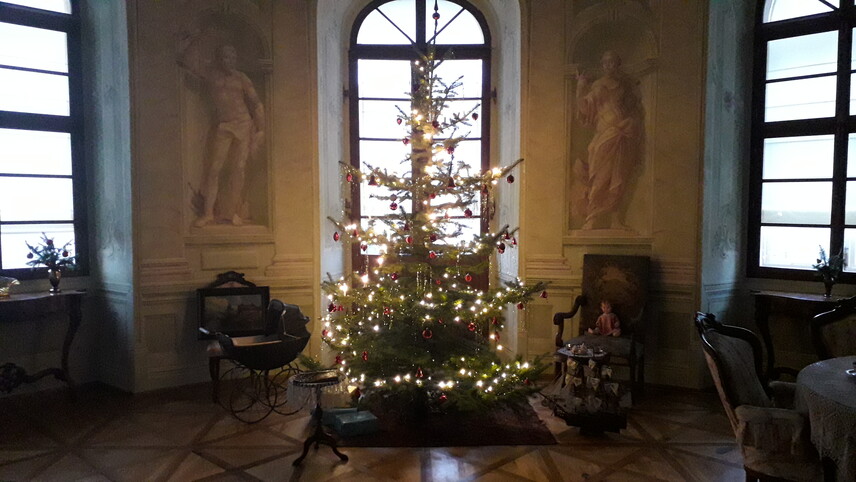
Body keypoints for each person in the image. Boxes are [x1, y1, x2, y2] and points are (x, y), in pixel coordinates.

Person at [178, 40, 265, 227]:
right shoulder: (212, 76)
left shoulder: (241, 78)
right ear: (219, 58)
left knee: (239, 168)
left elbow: (256, 103)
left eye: (232, 56)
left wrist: (261, 129)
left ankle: (233, 213)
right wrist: (187, 42)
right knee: (214, 169)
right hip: (224, 125)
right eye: (226, 56)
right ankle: (208, 213)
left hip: (243, 124)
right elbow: (188, 65)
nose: (229, 60)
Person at [575, 51, 643, 230]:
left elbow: (634, 108)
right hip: (604, 133)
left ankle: (615, 219)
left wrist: (631, 122)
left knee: (618, 178)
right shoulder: (597, 86)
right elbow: (585, 108)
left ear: (618, 64)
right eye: (606, 63)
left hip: (623, 133)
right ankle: (592, 217)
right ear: (602, 65)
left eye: (613, 62)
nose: (609, 66)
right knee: (600, 177)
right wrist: (581, 87)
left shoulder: (624, 87)